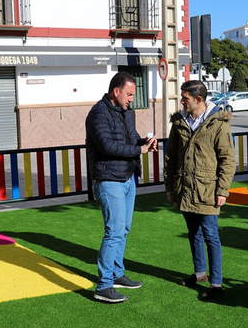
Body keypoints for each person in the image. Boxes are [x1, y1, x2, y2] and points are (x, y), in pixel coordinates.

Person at [85, 72, 157, 303]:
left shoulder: (125, 112)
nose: (131, 99)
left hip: (127, 178)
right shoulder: (98, 113)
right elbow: (106, 146)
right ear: (116, 91)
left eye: (133, 95)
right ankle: (104, 285)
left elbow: (132, 138)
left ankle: (116, 274)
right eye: (129, 94)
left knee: (123, 229)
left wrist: (144, 143)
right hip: (108, 179)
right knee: (114, 231)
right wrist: (139, 151)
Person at [164, 80, 236, 301]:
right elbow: (171, 157)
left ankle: (216, 284)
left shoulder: (218, 122)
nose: (181, 102)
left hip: (208, 190)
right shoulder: (179, 122)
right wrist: (169, 186)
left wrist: (222, 190)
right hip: (184, 188)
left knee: (211, 235)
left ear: (198, 100)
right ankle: (200, 273)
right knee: (193, 233)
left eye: (185, 98)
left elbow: (228, 159)